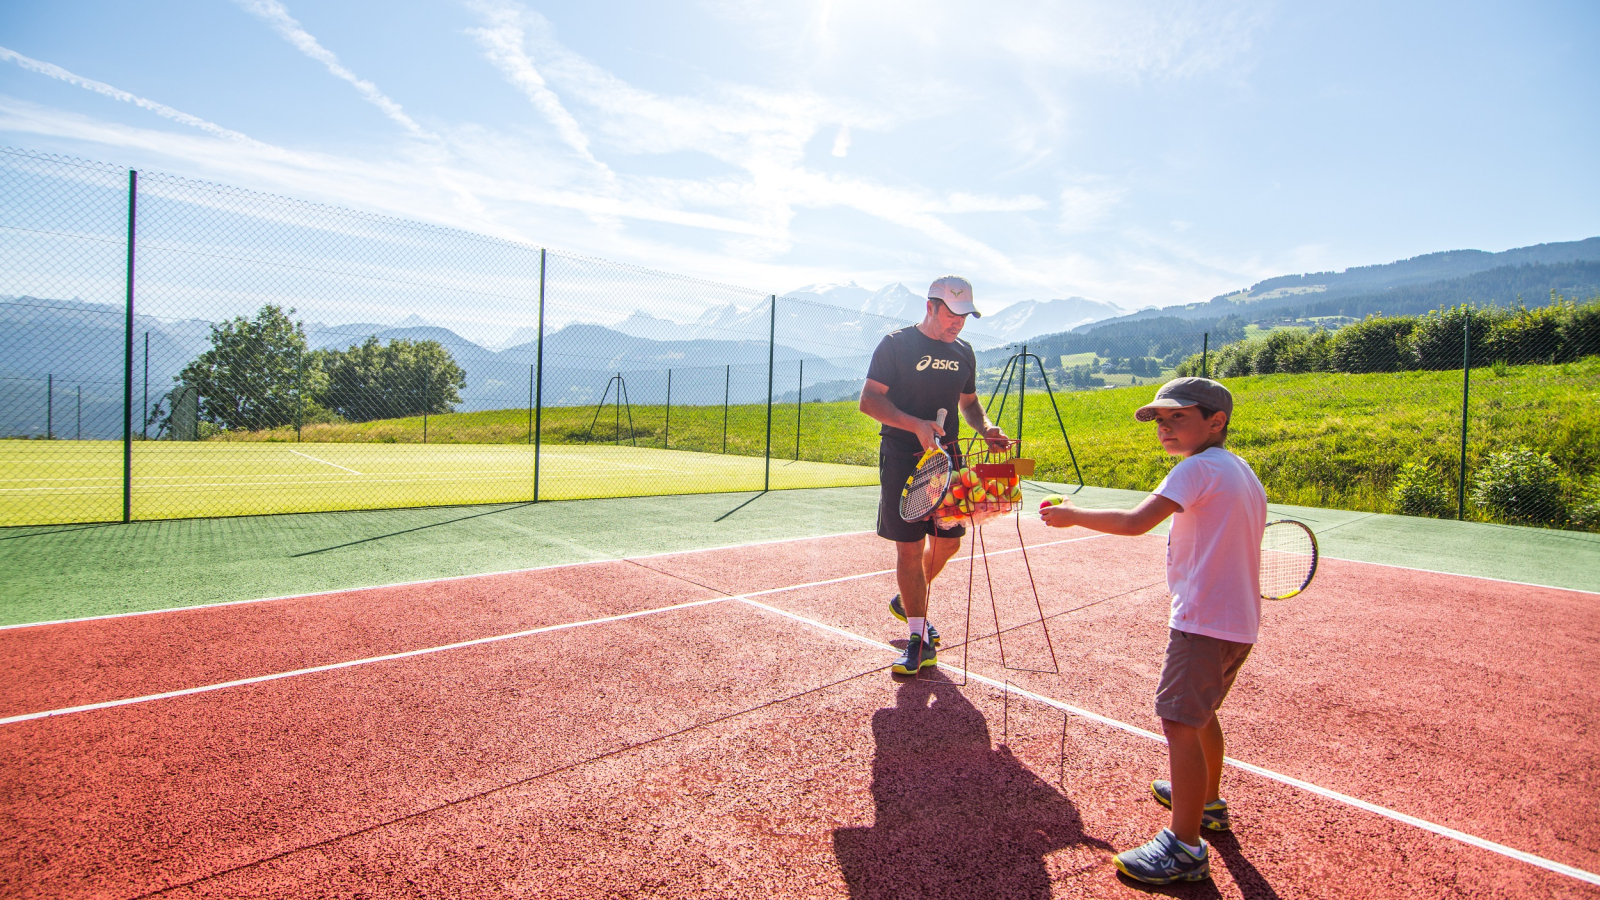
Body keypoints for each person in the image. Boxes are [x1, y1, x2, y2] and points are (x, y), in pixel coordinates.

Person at [1039, 376, 1266, 884]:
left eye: (1177, 417)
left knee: (1179, 722)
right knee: (1201, 716)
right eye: (1161, 421)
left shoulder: (1196, 468)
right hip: (1237, 623)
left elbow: (1136, 521)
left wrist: (1073, 515)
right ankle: (1207, 803)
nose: (1164, 428)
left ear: (1216, 421)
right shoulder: (1238, 468)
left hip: (1203, 620)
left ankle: (1184, 848)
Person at [859, 275, 1009, 676]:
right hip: (904, 457)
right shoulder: (896, 344)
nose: (959, 322)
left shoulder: (964, 352)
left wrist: (986, 428)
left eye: (966, 315)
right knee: (909, 548)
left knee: (947, 545)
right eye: (952, 314)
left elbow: (971, 403)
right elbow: (869, 400)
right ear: (930, 307)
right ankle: (918, 637)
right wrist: (915, 425)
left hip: (948, 459)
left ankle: (907, 598)